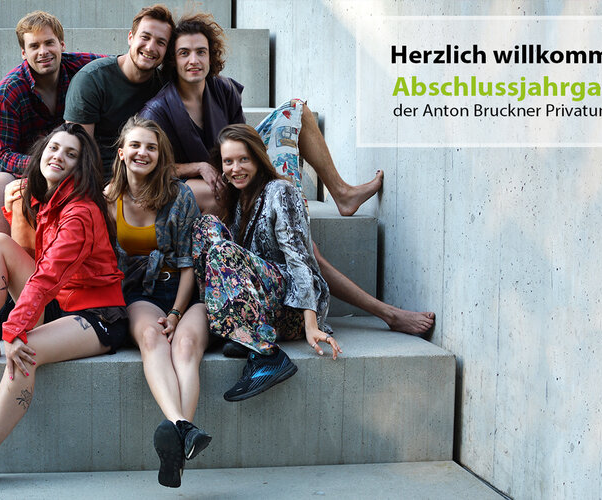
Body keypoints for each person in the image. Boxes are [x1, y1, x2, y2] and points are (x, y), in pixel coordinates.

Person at [140, 13, 436, 337]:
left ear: (212, 56)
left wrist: (264, 175)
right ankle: (387, 313)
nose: (194, 60)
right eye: (184, 53)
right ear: (173, 60)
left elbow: (244, 141)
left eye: (201, 52)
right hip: (204, 187)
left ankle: (341, 194)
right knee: (304, 247)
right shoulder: (158, 109)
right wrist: (197, 166)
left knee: (296, 109)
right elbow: (152, 166)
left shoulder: (222, 90)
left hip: (236, 170)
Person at [0, 124, 127, 495]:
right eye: (54, 148)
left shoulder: (80, 213)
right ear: (41, 152)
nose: (58, 157)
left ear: (80, 166)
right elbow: (38, 270)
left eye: (70, 154)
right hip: (59, 303)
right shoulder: (46, 198)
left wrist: (14, 330)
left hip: (97, 315)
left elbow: (47, 276)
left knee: (26, 350)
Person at [193, 124, 341, 402]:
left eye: (244, 159)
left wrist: (311, 324)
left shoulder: (281, 191)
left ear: (258, 158)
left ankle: (267, 357)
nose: (235, 168)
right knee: (205, 226)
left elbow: (299, 259)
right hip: (262, 303)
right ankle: (228, 325)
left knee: (224, 251)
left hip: (292, 308)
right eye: (228, 161)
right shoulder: (239, 199)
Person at [106, 116, 209, 488]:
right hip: (140, 295)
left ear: (160, 155)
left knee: (185, 344)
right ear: (121, 152)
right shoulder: (108, 198)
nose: (142, 152)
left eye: (151, 147)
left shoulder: (179, 195)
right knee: (152, 338)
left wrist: (178, 312)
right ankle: (183, 428)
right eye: (135, 145)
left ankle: (177, 441)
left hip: (187, 292)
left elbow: (189, 262)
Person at [0, 11, 103, 236]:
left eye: (49, 43)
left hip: (79, 165)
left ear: (62, 45)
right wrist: (47, 164)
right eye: (34, 46)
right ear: (23, 52)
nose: (43, 51)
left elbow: (122, 66)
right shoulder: (10, 90)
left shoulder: (83, 68)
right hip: (32, 172)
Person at [64, 4, 174, 170]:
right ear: (130, 37)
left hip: (147, 175)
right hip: (98, 176)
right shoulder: (91, 80)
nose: (150, 47)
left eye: (161, 42)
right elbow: (77, 152)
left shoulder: (164, 86)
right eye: (145, 37)